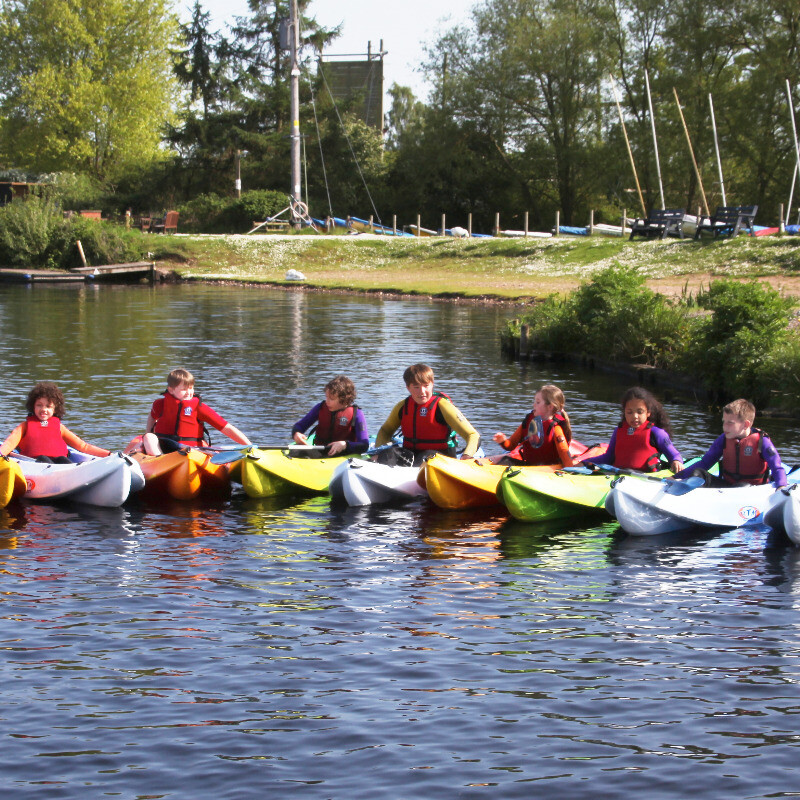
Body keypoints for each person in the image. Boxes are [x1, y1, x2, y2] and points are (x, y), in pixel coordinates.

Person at [373, 363, 480, 466]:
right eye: (416, 387)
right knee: (388, 454)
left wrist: (467, 455)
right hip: (411, 454)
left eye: (426, 386)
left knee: (425, 457)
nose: (422, 392)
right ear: (408, 388)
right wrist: (379, 452)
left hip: (442, 457)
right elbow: (386, 430)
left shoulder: (442, 406)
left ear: (432, 384)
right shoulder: (402, 406)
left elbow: (473, 435)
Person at [132, 368, 251, 456]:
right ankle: (158, 461)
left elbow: (226, 428)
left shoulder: (199, 407)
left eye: (191, 388)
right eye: (184, 389)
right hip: (163, 448)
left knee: (204, 451)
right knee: (148, 437)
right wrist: (148, 432)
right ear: (171, 390)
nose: (189, 392)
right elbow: (152, 417)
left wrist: (249, 445)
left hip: (192, 450)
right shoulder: (160, 404)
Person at [673, 398, 786, 487]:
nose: (724, 427)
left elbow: (777, 467)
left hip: (752, 491)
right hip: (727, 489)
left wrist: (781, 486)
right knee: (698, 473)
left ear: (746, 424)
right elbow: (705, 462)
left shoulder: (762, 441)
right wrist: (676, 477)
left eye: (730, 423)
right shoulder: (724, 439)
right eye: (724, 422)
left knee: (743, 486)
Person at [0, 381, 111, 463]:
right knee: (43, 459)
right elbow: (9, 443)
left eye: (48, 406)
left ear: (55, 409)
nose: (44, 409)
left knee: (63, 459)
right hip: (35, 464)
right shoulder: (24, 426)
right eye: (39, 405)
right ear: (33, 406)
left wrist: (109, 455)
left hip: (59, 466)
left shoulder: (59, 427)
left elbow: (83, 446)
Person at [586, 386, 683, 473]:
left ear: (648, 413)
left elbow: (675, 455)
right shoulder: (618, 431)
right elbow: (608, 457)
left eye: (640, 412)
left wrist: (676, 461)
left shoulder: (657, 433)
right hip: (618, 475)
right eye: (629, 412)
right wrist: (585, 462)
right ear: (624, 412)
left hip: (646, 478)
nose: (635, 416)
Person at [492, 384, 574, 466]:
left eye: (538, 402)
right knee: (504, 461)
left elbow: (564, 452)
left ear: (550, 407)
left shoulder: (556, 428)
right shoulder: (529, 421)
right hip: (528, 466)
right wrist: (502, 441)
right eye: (534, 401)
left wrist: (570, 473)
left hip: (549, 470)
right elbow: (510, 446)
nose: (534, 404)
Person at [292, 375, 369, 457]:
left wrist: (345, 445)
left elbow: (364, 445)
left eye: (331, 399)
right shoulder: (320, 407)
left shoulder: (357, 413)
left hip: (344, 455)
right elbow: (299, 426)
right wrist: (296, 433)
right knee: (294, 452)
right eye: (326, 397)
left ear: (345, 400)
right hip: (320, 452)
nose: (327, 401)